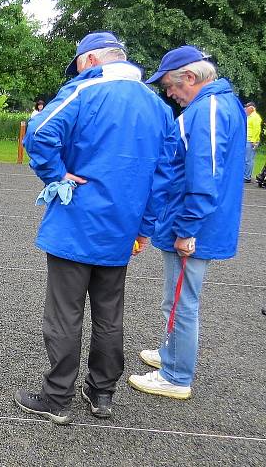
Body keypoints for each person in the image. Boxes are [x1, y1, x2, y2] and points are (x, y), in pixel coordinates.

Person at [15, 32, 175, 424]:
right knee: (109, 315)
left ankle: (57, 397)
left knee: (65, 314)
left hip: (77, 220)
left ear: (90, 60)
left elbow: (38, 132)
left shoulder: (84, 90)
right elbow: (165, 175)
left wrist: (57, 176)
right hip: (123, 227)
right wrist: (145, 228)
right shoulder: (158, 107)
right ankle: (102, 393)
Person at [128, 46, 246, 400]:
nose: (169, 93)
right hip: (192, 220)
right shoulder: (217, 105)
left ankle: (176, 375)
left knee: (181, 301)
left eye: (169, 85)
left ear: (190, 78)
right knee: (176, 299)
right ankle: (171, 355)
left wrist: (188, 229)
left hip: (194, 224)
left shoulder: (208, 108)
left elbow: (205, 172)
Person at [244, 102, 261, 183]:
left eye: (247, 107)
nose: (245, 108)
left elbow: (257, 130)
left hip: (251, 141)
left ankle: (247, 177)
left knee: (249, 159)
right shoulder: (250, 116)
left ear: (251, 108)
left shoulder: (255, 117)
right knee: (247, 159)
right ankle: (246, 175)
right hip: (248, 140)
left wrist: (254, 141)